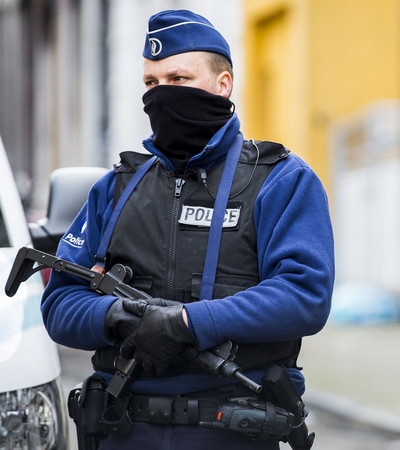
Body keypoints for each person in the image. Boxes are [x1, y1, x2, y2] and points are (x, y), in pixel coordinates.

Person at [40, 9, 334, 450]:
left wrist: (186, 322)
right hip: (122, 428)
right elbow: (60, 303)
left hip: (234, 429)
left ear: (223, 84)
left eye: (178, 79)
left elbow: (304, 295)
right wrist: (116, 317)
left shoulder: (281, 180)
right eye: (151, 84)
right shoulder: (115, 188)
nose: (161, 96)